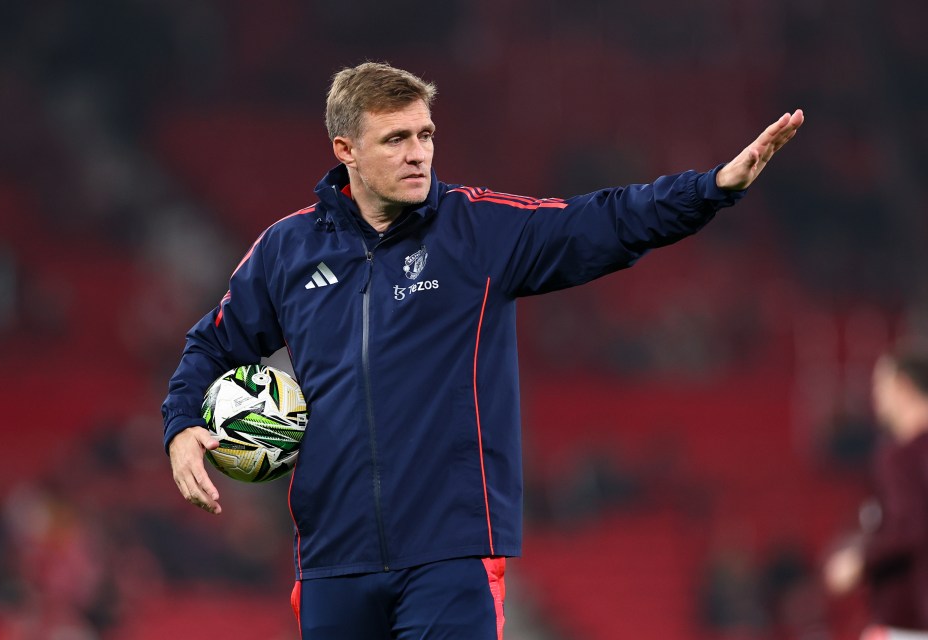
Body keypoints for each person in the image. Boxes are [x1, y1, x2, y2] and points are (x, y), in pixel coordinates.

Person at [162, 61, 804, 639]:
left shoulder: (476, 230)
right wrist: (182, 426)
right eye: (396, 139)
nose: (419, 154)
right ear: (346, 150)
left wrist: (712, 187)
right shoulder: (288, 250)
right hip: (334, 558)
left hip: (452, 553)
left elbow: (602, 220)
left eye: (426, 135)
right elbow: (210, 343)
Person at [824, 348, 928, 638]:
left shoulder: (900, 457)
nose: (875, 395)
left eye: (879, 384)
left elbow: (910, 527)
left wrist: (858, 561)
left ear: (903, 387)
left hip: (911, 619)